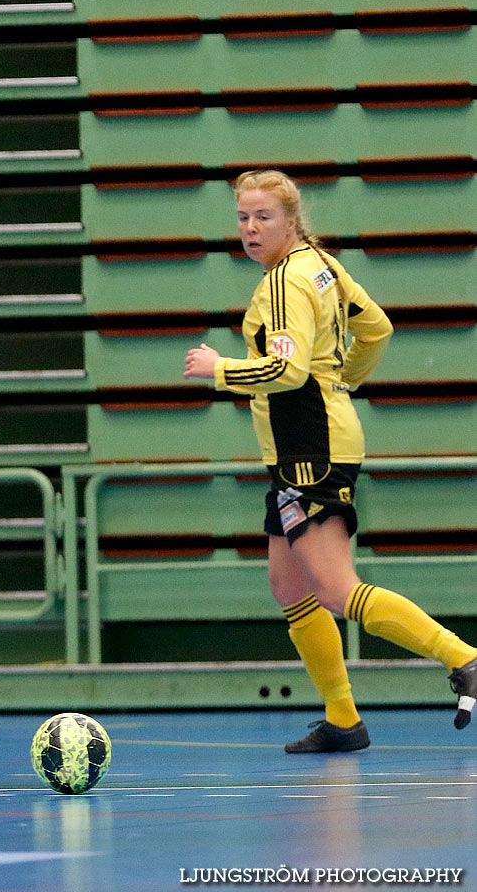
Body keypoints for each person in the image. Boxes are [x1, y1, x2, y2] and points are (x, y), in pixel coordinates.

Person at [182, 169, 477, 752]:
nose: (250, 228)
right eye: (242, 217)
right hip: (308, 444)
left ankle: (464, 657)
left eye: (263, 217)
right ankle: (343, 720)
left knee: (337, 589)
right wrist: (342, 383)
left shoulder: (284, 282)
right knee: (288, 586)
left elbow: (287, 372)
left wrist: (218, 369)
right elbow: (377, 328)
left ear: (291, 221)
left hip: (310, 449)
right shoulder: (321, 264)